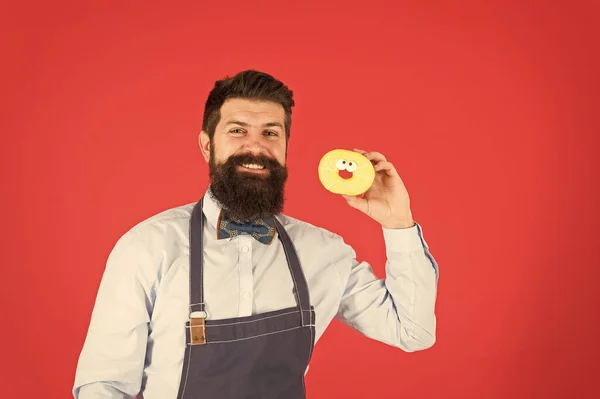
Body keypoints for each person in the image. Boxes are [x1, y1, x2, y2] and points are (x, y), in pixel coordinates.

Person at [72, 70, 439, 399]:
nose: (255, 146)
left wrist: (398, 222)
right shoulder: (148, 247)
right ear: (206, 145)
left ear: (284, 147)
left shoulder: (323, 252)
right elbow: (103, 385)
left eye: (270, 133)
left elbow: (412, 331)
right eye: (237, 131)